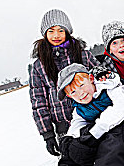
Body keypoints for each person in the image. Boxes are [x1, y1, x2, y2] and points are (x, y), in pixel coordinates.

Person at [20, 63, 124, 166]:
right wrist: (71, 139)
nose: (80, 93)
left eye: (81, 85)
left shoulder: (110, 86)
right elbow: (77, 124)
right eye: (73, 91)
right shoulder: (79, 107)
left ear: (91, 79)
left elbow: (121, 108)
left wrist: (94, 132)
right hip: (102, 129)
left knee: (111, 138)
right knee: (77, 149)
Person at [29, 9, 99, 157]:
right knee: (73, 161)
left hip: (93, 116)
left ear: (67, 31)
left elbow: (101, 79)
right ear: (45, 34)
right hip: (64, 126)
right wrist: (47, 134)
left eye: (61, 30)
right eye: (51, 31)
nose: (56, 35)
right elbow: (38, 101)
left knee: (100, 155)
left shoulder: (83, 54)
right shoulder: (38, 66)